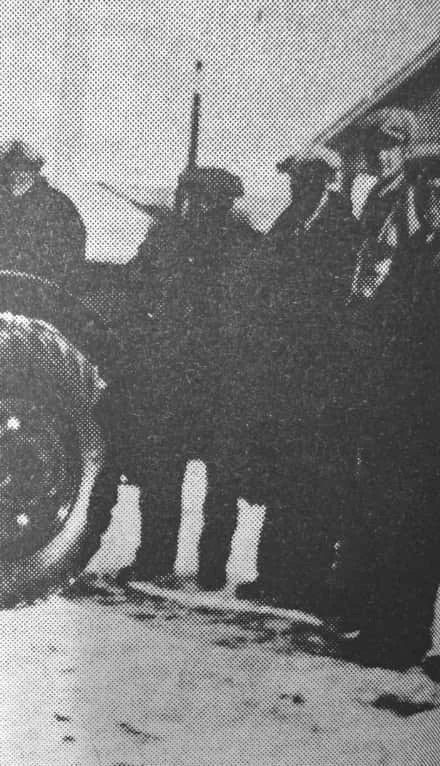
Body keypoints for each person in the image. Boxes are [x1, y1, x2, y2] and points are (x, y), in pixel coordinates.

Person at [218, 148, 361, 609]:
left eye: (307, 177)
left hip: (319, 380)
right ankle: (275, 574)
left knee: (314, 484)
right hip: (282, 377)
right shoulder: (289, 221)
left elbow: (332, 304)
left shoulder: (344, 229)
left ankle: (306, 580)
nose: (299, 185)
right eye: (295, 177)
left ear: (326, 180)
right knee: (283, 477)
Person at [119, 166, 259, 588]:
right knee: (171, 472)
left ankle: (200, 564)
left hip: (215, 375)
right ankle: (173, 561)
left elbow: (250, 309)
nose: (198, 205)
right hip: (183, 374)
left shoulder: (239, 245)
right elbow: (136, 283)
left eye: (204, 198)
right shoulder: (171, 238)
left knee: (214, 477)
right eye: (193, 197)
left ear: (223, 202)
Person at [338, 146, 440, 671]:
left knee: (415, 526)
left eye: (431, 182)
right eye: (423, 182)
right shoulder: (420, 247)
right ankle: (390, 631)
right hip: (400, 404)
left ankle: (398, 636)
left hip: (423, 409)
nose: (424, 193)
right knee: (398, 523)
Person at [0, 140, 86, 282]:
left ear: (34, 171)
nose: (17, 175)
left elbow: (67, 265)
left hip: (40, 294)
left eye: (23, 169)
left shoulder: (58, 206)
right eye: (9, 170)